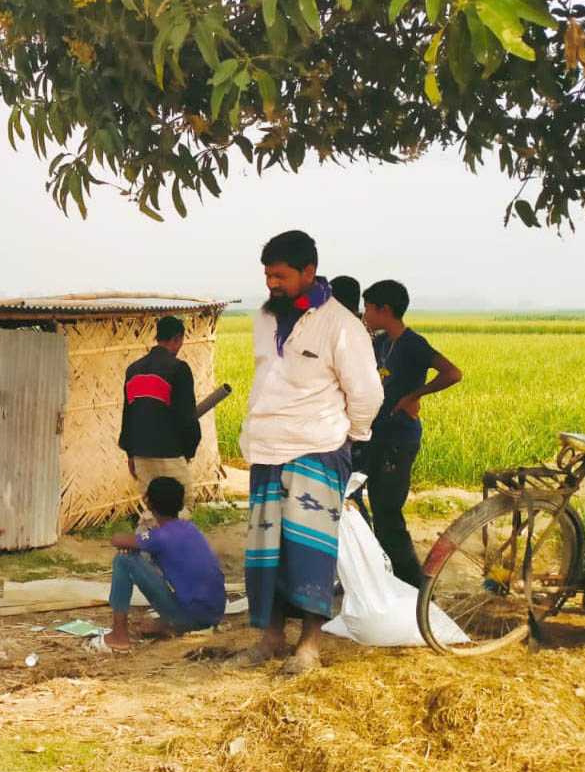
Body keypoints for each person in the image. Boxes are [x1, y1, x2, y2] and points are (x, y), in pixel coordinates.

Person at [235, 230, 382, 674]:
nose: (271, 284)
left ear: (308, 272)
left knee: (311, 551)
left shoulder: (342, 325)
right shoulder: (264, 319)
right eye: (266, 275)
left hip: (319, 448)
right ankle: (270, 639)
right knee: (268, 551)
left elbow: (368, 393)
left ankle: (309, 648)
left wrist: (349, 437)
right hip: (266, 449)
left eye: (279, 275)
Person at [361, 280, 462, 586]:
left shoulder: (413, 344)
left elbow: (452, 373)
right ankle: (384, 573)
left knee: (388, 512)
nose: (365, 314)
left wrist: (414, 395)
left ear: (385, 310)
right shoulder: (378, 343)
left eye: (368, 308)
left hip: (399, 437)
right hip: (375, 434)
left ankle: (414, 584)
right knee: (367, 505)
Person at [94, 477, 226, 651]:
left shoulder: (160, 537)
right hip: (214, 615)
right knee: (133, 554)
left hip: (190, 617)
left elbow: (118, 540)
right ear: (180, 505)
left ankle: (119, 636)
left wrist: (128, 547)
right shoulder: (191, 529)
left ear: (149, 504)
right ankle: (170, 626)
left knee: (123, 559)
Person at [119, 315, 201, 526]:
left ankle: (146, 545)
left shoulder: (133, 370)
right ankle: (168, 550)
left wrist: (130, 453)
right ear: (177, 338)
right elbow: (187, 417)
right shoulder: (178, 369)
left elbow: (128, 414)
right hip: (171, 453)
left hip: (141, 453)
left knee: (153, 508)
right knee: (184, 505)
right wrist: (189, 450)